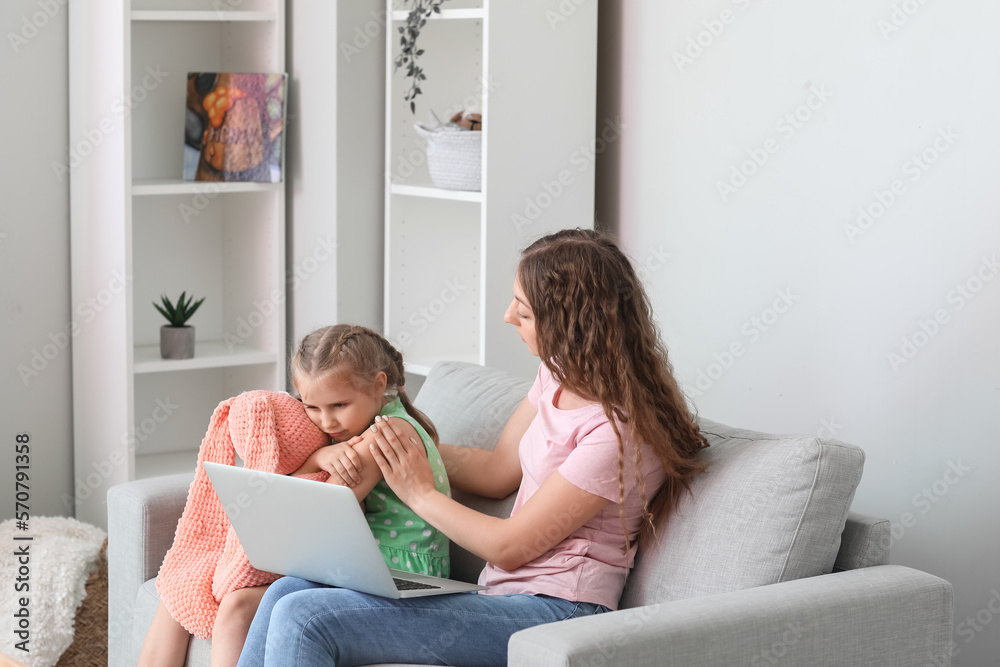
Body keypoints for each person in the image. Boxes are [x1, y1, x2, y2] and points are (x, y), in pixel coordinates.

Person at [237, 228, 709, 667]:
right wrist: (397, 444)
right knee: (288, 591)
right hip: (498, 598)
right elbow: (499, 470)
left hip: (557, 614)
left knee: (307, 617)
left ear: (571, 322)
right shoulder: (556, 377)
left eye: (523, 311)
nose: (508, 316)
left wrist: (419, 491)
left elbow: (508, 547)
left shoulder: (617, 433)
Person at [139, 324, 449, 667]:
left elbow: (313, 513)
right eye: (311, 407)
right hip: (358, 563)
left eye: (339, 405)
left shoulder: (381, 437)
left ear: (378, 384)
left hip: (396, 573)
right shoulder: (372, 425)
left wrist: (312, 463)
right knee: (184, 582)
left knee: (237, 605)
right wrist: (317, 457)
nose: (326, 421)